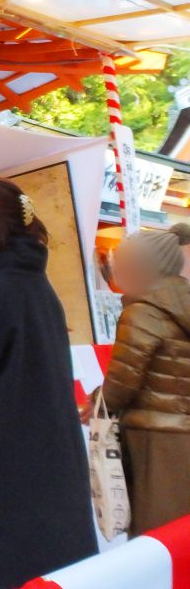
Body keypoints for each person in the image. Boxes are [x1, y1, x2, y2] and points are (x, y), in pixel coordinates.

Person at [0, 177, 96, 589]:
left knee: (15, 568)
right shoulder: (38, 284)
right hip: (54, 452)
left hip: (10, 453)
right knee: (55, 568)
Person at [82, 224, 190, 535]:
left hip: (154, 438)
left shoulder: (143, 310)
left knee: (157, 530)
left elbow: (124, 379)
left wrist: (97, 403)